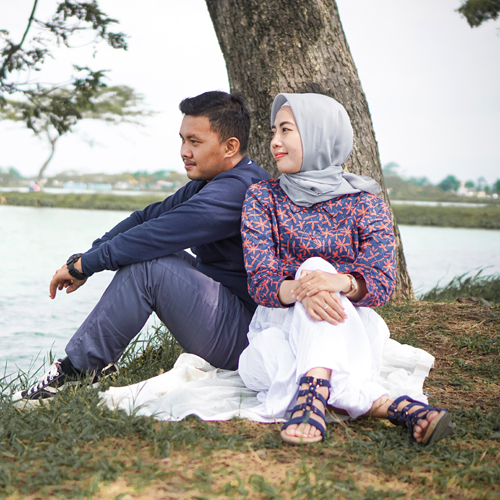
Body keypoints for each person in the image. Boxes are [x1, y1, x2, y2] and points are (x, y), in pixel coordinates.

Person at [16, 91, 269, 402]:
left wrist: (85, 266)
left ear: (230, 146)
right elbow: (145, 218)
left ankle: (78, 371)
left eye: (195, 141)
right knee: (152, 256)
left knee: (148, 266)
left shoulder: (238, 190)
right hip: (229, 313)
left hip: (246, 338)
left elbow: (156, 234)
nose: (184, 151)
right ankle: (87, 366)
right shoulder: (212, 183)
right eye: (182, 140)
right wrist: (86, 258)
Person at [238, 93, 453, 445]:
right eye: (274, 131)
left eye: (286, 130)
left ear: (320, 135)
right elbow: (261, 281)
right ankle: (391, 406)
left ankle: (311, 393)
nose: (274, 141)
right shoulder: (262, 198)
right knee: (254, 365)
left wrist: (334, 282)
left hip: (347, 324)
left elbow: (381, 283)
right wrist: (307, 287)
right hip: (280, 320)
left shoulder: (366, 204)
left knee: (314, 269)